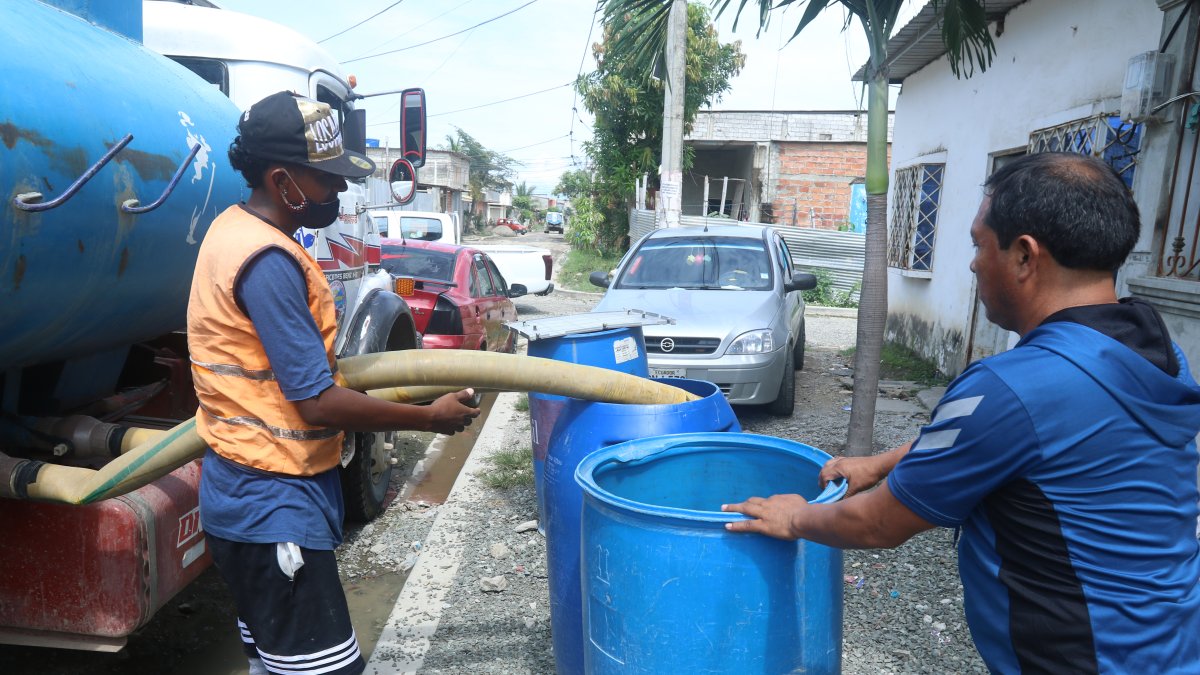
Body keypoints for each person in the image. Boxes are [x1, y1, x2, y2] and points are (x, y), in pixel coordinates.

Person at [723, 152, 1200, 672]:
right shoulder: (1152, 349)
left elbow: (879, 523)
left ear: (1024, 256)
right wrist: (880, 463)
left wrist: (794, 517)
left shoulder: (1015, 388)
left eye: (978, 243)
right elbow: (1018, 438)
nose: (973, 263)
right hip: (1169, 644)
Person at [187, 91, 480, 675]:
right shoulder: (267, 263)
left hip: (245, 496)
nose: (338, 193)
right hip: (273, 507)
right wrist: (430, 417)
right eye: (325, 180)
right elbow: (317, 403)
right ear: (281, 180)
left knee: (275, 665)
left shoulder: (233, 229)